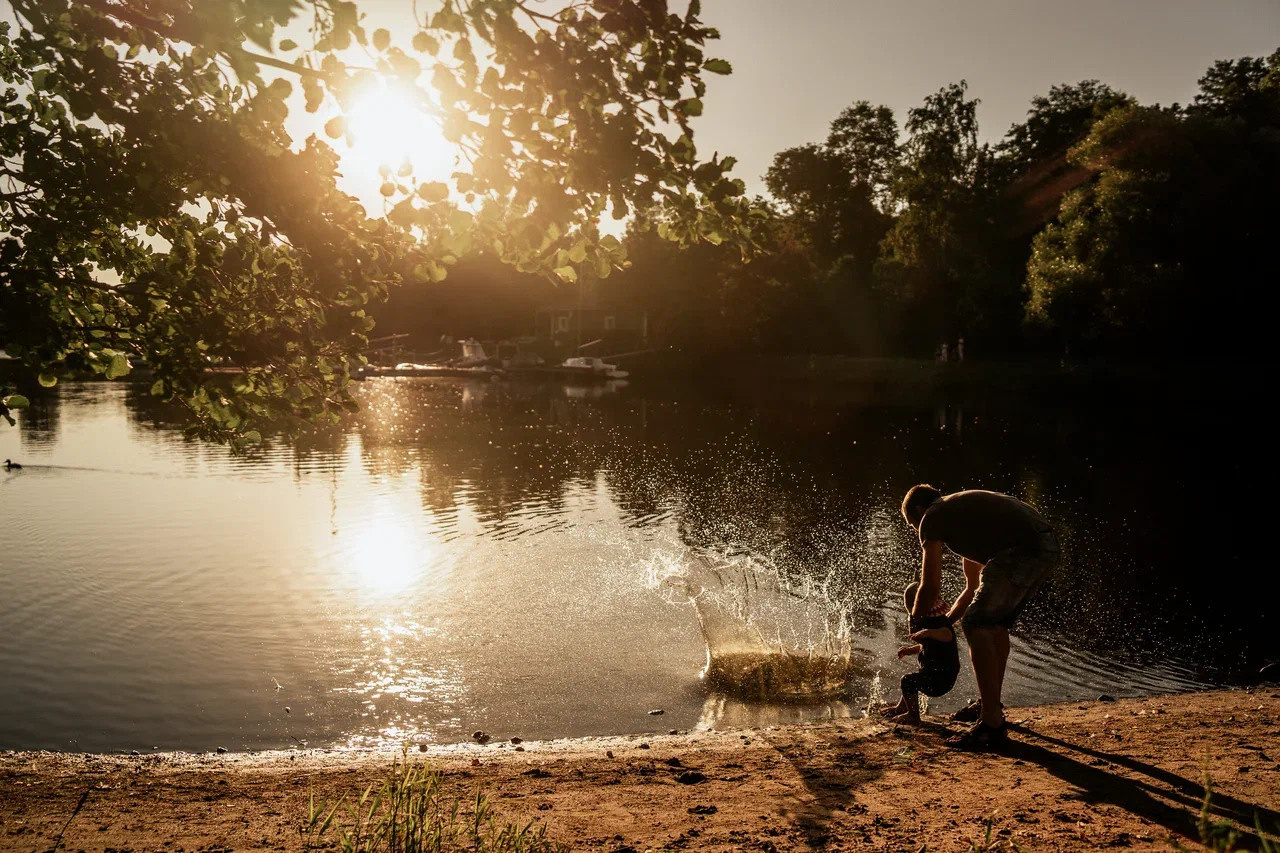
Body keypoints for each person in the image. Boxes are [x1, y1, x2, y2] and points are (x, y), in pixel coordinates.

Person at [899, 485, 1060, 749]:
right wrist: (947, 622)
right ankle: (990, 706)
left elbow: (930, 586)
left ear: (919, 511)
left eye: (911, 524)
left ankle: (991, 725)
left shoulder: (933, 516)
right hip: (1045, 546)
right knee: (994, 624)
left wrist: (915, 619)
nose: (916, 531)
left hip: (1025, 548)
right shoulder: (964, 521)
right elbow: (971, 589)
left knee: (976, 623)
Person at [880, 581, 960, 724]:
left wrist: (928, 632)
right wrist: (909, 650)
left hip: (941, 679)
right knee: (913, 681)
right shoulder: (930, 623)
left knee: (908, 681)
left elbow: (947, 635)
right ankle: (901, 707)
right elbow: (926, 646)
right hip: (933, 673)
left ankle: (913, 716)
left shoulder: (939, 623)